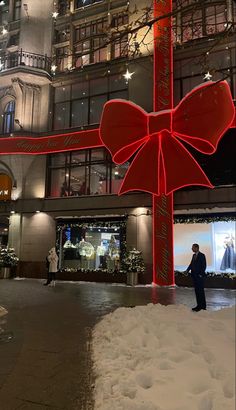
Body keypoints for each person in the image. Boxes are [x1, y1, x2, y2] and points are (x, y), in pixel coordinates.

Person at [185, 243, 207, 312]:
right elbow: (191, 264)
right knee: (197, 291)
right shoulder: (193, 255)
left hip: (199, 276)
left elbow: (204, 265)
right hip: (194, 276)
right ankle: (198, 306)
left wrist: (200, 274)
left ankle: (203, 306)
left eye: (193, 247)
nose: (192, 249)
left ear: (197, 248)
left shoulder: (202, 255)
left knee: (201, 291)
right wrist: (187, 270)